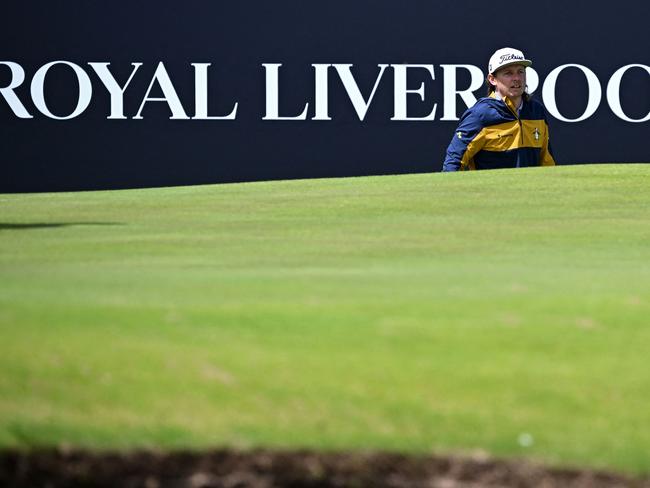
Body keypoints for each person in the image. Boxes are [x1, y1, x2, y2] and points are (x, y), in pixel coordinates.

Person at [442, 47, 556, 171]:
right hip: (489, 190)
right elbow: (454, 163)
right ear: (492, 79)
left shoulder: (536, 110)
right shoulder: (480, 115)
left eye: (520, 71)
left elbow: (547, 162)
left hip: (530, 190)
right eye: (508, 73)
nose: (517, 78)